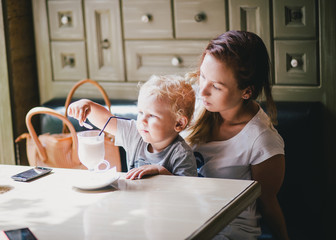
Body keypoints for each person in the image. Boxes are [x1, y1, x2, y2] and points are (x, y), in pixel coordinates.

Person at [185, 31, 290, 239]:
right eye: (202, 76)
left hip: (230, 230)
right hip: (188, 218)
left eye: (216, 86)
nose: (202, 91)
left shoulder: (262, 141)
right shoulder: (196, 104)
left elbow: (268, 204)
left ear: (246, 92)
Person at [68, 75, 197, 180]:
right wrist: (87, 105)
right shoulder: (135, 133)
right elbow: (106, 120)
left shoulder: (181, 154)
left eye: (152, 115)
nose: (143, 120)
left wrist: (161, 172)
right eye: (140, 113)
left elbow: (187, 192)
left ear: (179, 123)